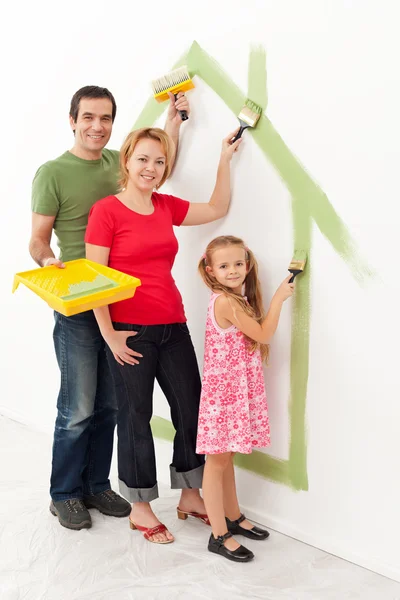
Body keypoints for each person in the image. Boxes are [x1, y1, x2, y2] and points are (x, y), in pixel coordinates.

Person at [29, 85, 190, 530]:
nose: (97, 127)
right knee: (78, 406)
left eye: (106, 119)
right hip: (80, 303)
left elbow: (152, 159)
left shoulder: (115, 161)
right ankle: (64, 493)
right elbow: (37, 240)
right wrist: (48, 260)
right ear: (72, 120)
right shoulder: (53, 172)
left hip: (122, 307)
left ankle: (97, 485)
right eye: (89, 118)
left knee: (113, 406)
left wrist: (173, 121)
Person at [85, 126, 242, 544]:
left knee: (191, 409)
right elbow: (94, 280)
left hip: (173, 324)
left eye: (158, 161)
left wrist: (225, 158)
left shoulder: (165, 207)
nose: (151, 168)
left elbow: (216, 206)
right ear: (127, 161)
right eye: (143, 159)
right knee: (135, 416)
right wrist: (110, 335)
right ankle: (140, 506)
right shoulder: (106, 211)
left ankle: (191, 494)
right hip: (128, 331)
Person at [196, 235, 295, 562]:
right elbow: (264, 334)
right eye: (224, 266)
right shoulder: (226, 302)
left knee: (226, 460)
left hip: (233, 393)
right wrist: (280, 298)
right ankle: (218, 534)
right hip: (222, 398)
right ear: (211, 271)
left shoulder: (237, 300)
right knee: (217, 462)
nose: (233, 270)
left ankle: (233, 516)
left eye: (238, 263)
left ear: (248, 264)